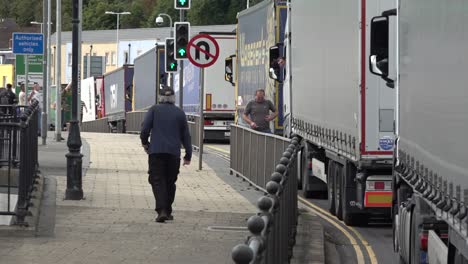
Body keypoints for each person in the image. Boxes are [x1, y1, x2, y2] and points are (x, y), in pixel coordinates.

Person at [140, 87, 192, 223]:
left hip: (156, 151)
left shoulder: (154, 110)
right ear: (173, 98)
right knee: (170, 182)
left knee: (157, 181)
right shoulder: (180, 113)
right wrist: (188, 155)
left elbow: (145, 129)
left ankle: (162, 210)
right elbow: (186, 135)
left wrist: (145, 143)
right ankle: (167, 210)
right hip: (173, 153)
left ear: (160, 97)